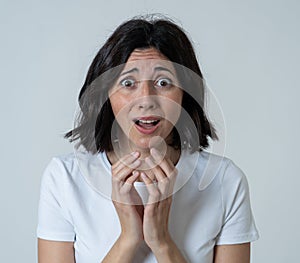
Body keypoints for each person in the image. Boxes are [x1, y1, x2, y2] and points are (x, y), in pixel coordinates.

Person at [37, 16, 259, 263]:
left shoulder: (225, 181)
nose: (146, 98)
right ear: (106, 94)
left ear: (185, 93)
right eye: (128, 83)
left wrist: (161, 241)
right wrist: (128, 239)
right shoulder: (64, 178)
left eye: (163, 82)